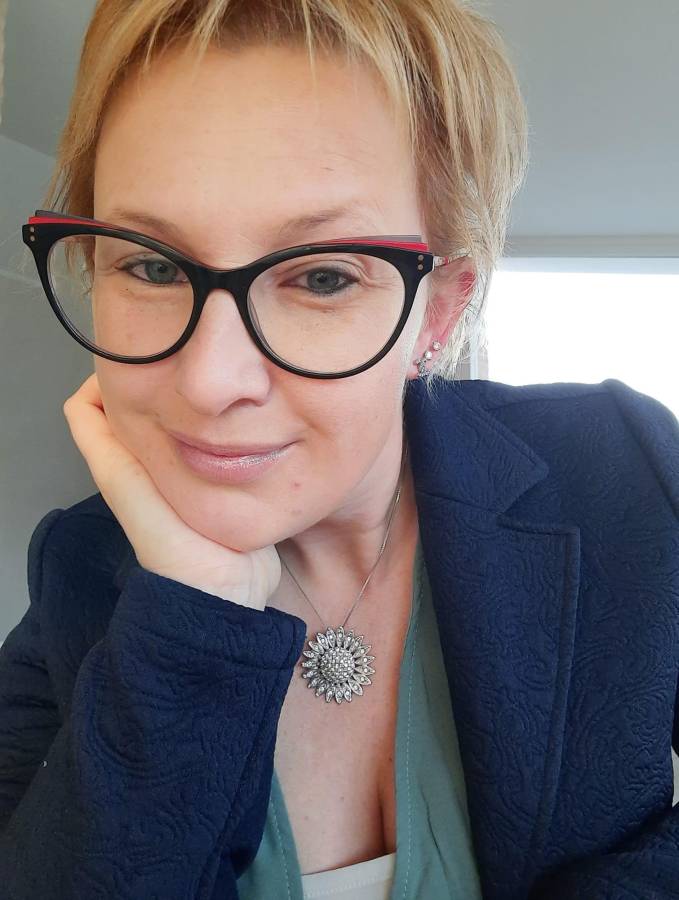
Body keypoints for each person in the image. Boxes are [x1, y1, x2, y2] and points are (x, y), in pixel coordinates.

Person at [1, 1, 678, 898]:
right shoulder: (77, 574)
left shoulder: (623, 471)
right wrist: (191, 619)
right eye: (152, 266)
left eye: (322, 277)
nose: (209, 381)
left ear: (437, 313)